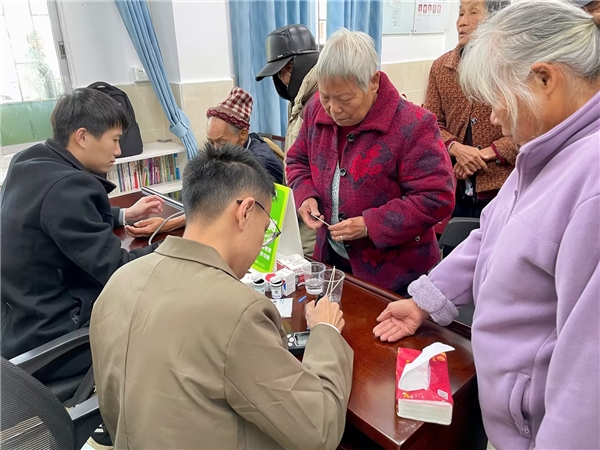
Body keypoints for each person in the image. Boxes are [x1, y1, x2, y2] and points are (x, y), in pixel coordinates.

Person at [374, 2, 600, 448]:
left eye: (499, 98)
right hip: (512, 419)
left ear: (545, 79)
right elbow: (490, 237)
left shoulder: (590, 181)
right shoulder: (546, 151)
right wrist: (424, 302)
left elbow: (588, 373)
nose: (495, 117)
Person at [90, 142, 353, 449]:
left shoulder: (120, 280)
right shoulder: (238, 312)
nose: (262, 242)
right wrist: (326, 331)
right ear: (245, 212)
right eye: (265, 230)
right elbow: (320, 430)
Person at [0, 88, 163, 382]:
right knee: (162, 324)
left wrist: (124, 215)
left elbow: (50, 214)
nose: (118, 151)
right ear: (83, 137)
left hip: (18, 325)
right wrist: (174, 247)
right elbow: (118, 270)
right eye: (114, 140)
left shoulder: (30, 161)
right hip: (55, 339)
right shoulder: (69, 188)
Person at [286, 28, 455, 296]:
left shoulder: (413, 125)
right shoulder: (316, 111)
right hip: (332, 263)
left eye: (345, 99)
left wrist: (370, 224)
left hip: (397, 278)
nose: (333, 109)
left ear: (373, 82)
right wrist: (305, 195)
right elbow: (297, 160)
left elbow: (436, 197)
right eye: (326, 97)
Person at [126, 87, 284, 237]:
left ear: (242, 135)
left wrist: (168, 224)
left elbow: (232, 209)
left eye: (221, 142)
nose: (214, 150)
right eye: (210, 142)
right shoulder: (227, 153)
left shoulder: (260, 163)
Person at [424, 0, 516, 218]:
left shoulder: (512, 67)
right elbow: (430, 123)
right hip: (454, 186)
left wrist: (484, 154)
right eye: (460, 13)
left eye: (473, 12)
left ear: (496, 19)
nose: (462, 22)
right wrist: (456, 148)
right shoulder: (441, 67)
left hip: (504, 187)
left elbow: (532, 128)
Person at [256, 24, 320, 256]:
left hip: (314, 209)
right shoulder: (299, 99)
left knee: (308, 264)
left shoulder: (320, 101)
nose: (282, 79)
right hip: (299, 203)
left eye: (285, 71)